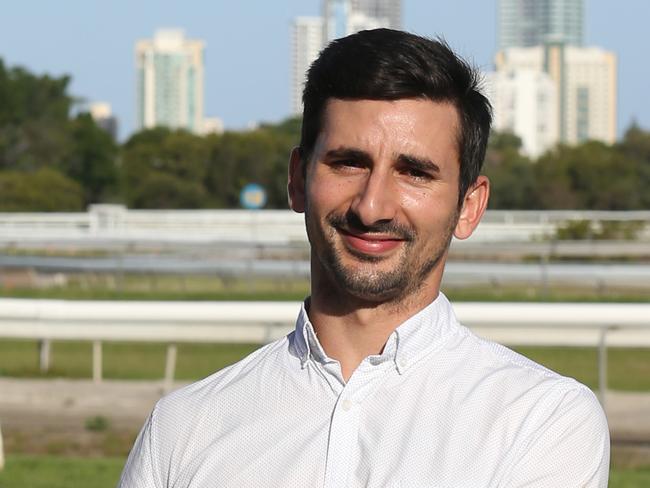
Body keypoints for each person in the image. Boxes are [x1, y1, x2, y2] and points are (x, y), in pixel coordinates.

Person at [118, 29, 609, 487]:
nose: (372, 207)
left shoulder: (542, 419)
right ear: (297, 180)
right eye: (348, 163)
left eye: (414, 172)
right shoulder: (181, 429)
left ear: (469, 205)